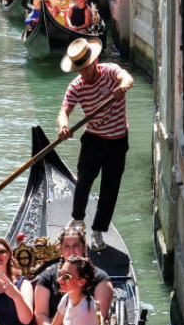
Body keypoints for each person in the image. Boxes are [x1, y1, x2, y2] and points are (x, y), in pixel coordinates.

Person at [57, 38, 134, 250]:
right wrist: (64, 126)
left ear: (95, 61)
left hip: (118, 141)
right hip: (93, 139)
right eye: (79, 69)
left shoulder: (110, 71)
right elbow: (64, 111)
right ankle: (78, 219)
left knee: (110, 188)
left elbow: (126, 78)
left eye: (86, 67)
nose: (83, 73)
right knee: (83, 182)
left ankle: (98, 231)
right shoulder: (77, 86)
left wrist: (122, 87)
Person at [32, 226, 113, 325]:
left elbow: (99, 320)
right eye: (67, 246)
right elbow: (41, 313)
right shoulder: (47, 277)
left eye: (76, 245)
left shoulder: (101, 279)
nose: (72, 251)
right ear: (61, 249)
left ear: (84, 247)